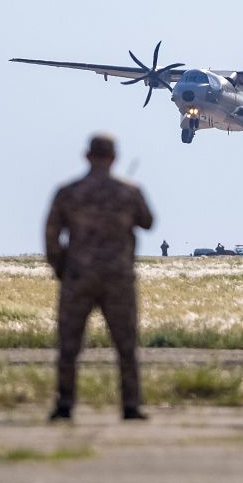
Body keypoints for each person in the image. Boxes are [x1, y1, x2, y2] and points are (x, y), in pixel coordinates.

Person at [45, 134, 153, 421]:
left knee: (69, 344)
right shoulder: (129, 191)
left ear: (87, 156)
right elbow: (147, 221)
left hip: (78, 277)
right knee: (126, 345)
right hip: (118, 277)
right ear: (114, 158)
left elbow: (52, 234)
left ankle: (64, 404)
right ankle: (131, 406)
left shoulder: (68, 192)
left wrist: (61, 268)